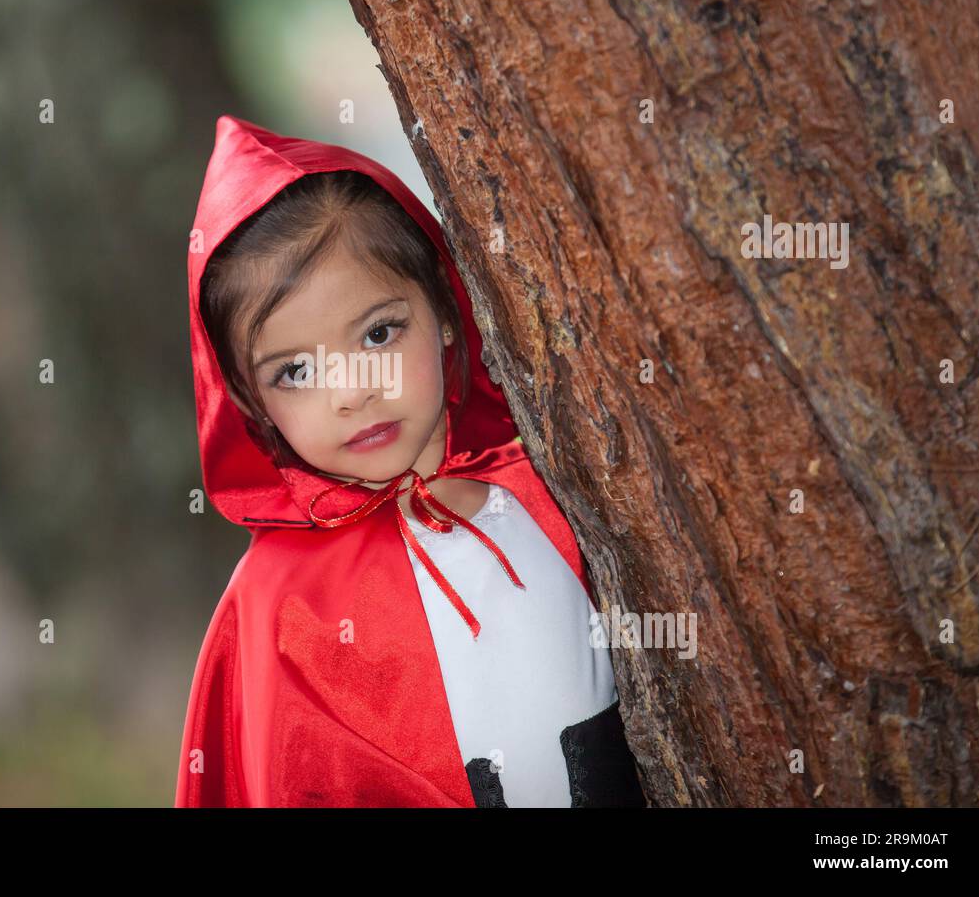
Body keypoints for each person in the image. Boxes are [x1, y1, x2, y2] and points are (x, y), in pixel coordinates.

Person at [175, 114, 645, 807]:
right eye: (295, 372)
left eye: (378, 333)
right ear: (249, 404)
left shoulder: (560, 484)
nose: (353, 391)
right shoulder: (278, 606)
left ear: (447, 311)